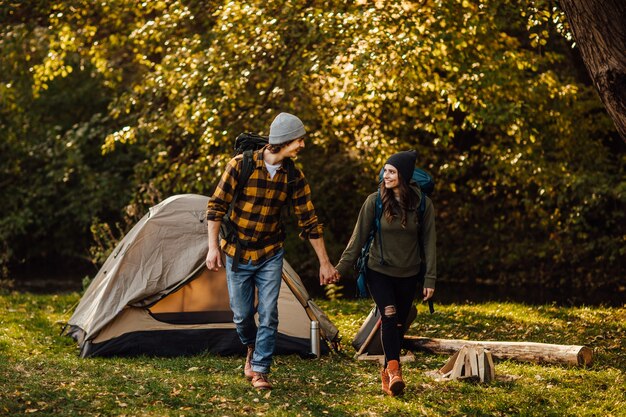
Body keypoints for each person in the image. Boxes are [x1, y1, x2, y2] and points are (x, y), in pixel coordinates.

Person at [205, 112, 338, 390]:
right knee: (241, 314)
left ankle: (261, 369)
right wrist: (212, 248)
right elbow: (216, 208)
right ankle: (252, 347)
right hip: (237, 251)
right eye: (299, 140)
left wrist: (324, 263)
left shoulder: (293, 176)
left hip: (270, 252)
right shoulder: (241, 165)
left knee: (269, 313)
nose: (302, 145)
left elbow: (309, 221)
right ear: (284, 140)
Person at [334, 150, 436, 396]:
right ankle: (395, 370)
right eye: (385, 171)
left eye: (391, 171)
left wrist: (430, 278)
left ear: (404, 175)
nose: (385, 175)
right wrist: (339, 269)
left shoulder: (422, 204)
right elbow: (357, 239)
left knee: (399, 322)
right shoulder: (374, 201)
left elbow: (429, 243)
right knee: (388, 315)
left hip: (409, 272)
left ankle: (385, 370)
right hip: (377, 270)